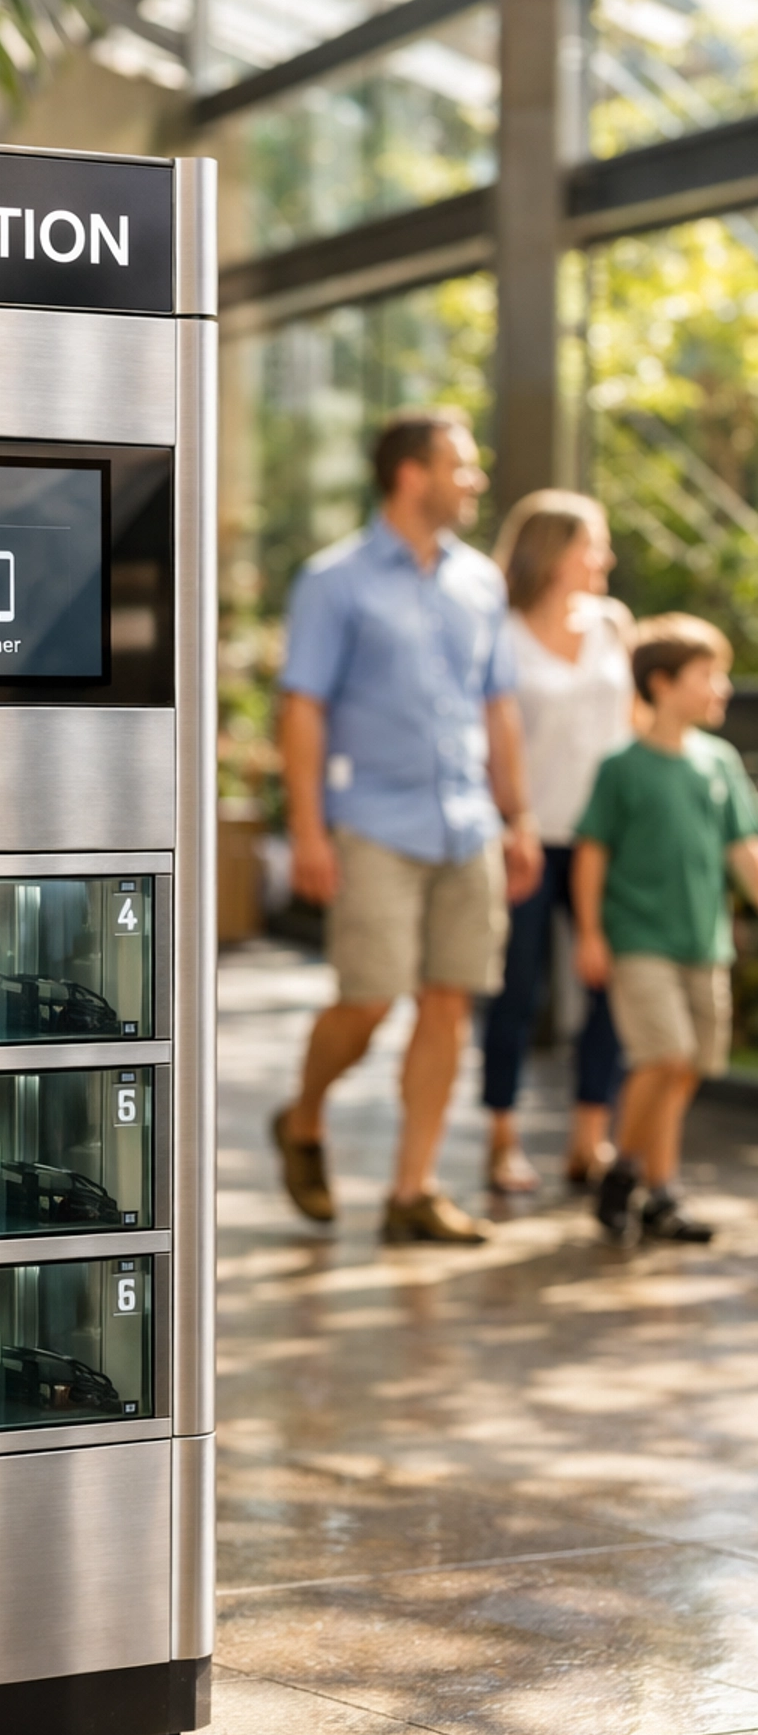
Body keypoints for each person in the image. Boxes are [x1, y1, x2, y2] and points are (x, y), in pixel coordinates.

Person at [271, 407, 542, 1244]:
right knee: (370, 998)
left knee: (449, 1002)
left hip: (465, 821)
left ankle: (411, 1191)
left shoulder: (479, 582)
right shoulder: (334, 580)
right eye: (461, 466)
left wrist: (517, 813)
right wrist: (309, 833)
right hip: (372, 823)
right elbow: (304, 710)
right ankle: (304, 1118)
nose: (476, 481)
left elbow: (497, 705)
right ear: (412, 474)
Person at [575, 615, 758, 1243]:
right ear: (662, 682)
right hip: (638, 939)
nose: (721, 688)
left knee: (687, 1070)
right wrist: (593, 934)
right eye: (706, 675)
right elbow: (592, 853)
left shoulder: (720, 761)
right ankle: (624, 1170)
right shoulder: (622, 767)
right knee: (665, 1053)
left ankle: (659, 1190)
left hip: (702, 941)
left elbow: (743, 851)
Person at [481, 492, 633, 1194]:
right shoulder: (501, 631)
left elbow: (632, 725)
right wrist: (511, 824)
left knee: (613, 989)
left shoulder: (612, 624)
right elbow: (490, 740)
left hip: (607, 840)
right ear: (551, 552)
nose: (604, 558)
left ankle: (589, 1140)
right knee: (517, 989)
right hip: (532, 839)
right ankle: (502, 1137)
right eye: (591, 545)